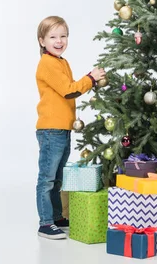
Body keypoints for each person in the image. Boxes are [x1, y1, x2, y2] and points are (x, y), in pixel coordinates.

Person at [34, 15, 105, 239]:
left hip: (62, 129)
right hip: (50, 130)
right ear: (42, 41)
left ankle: (56, 217)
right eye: (53, 36)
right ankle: (45, 223)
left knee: (57, 178)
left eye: (63, 36)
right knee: (47, 178)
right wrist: (91, 78)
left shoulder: (61, 62)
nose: (59, 41)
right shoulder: (47, 63)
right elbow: (69, 90)